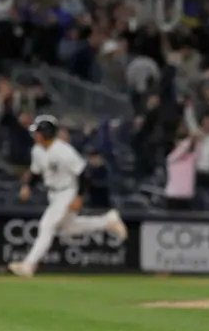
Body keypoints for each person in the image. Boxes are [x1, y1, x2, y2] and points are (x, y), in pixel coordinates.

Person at [9, 115, 129, 278]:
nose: (35, 135)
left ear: (46, 133)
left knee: (47, 225)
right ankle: (108, 221)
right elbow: (36, 172)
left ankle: (29, 265)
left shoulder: (63, 151)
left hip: (67, 191)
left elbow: (83, 174)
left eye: (37, 132)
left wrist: (78, 197)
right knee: (69, 228)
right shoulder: (37, 150)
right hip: (53, 193)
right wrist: (27, 186)